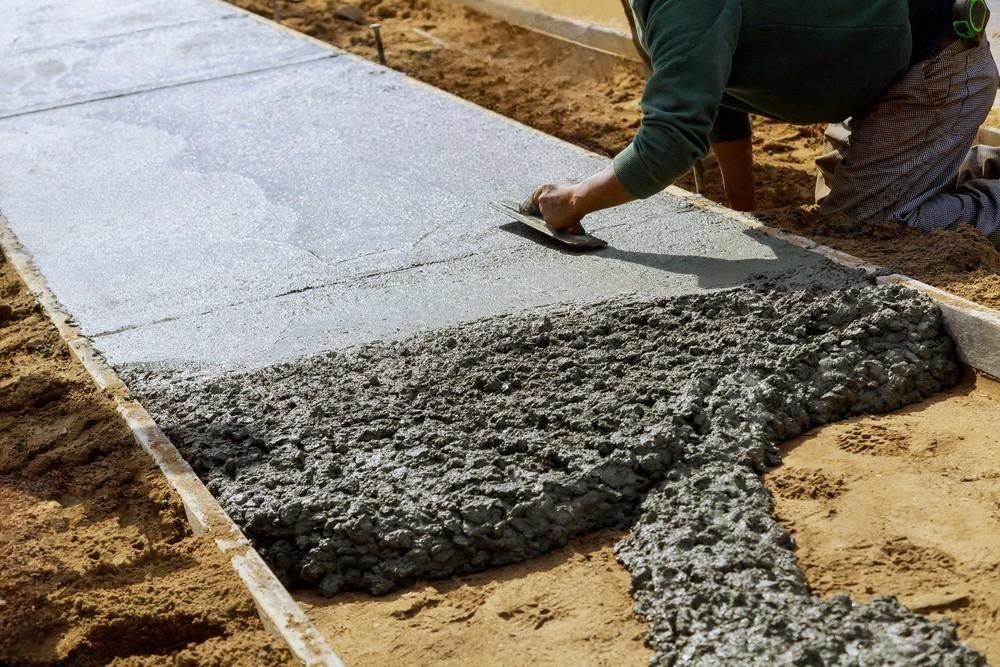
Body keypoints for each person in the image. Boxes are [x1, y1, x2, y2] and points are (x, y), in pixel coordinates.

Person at [530, 0, 1000, 249]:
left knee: (870, 226)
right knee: (836, 203)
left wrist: (575, 200)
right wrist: (742, 208)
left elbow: (671, 139)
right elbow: (714, 94)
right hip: (880, 75)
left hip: (937, 67)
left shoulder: (687, 6)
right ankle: (971, 164)